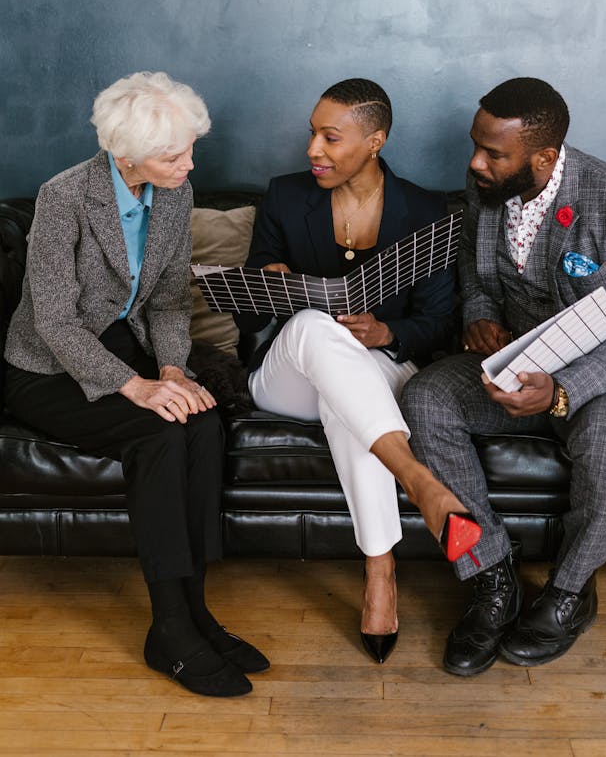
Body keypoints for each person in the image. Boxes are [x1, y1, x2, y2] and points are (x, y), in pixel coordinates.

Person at [401, 76, 606, 676]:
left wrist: (563, 391)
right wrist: (480, 318)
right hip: (520, 361)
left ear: (544, 157)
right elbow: (477, 277)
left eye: (492, 153)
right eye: (474, 146)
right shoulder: (485, 187)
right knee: (427, 396)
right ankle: (490, 575)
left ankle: (568, 593)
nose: (475, 163)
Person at [4, 71, 269, 698]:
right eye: (172, 154)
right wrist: (136, 387)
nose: (189, 164)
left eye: (190, 149)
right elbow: (55, 320)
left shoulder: (175, 194)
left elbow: (170, 302)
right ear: (125, 154)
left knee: (203, 423)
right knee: (157, 434)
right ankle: (169, 630)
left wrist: (172, 370)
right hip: (46, 364)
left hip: (125, 346)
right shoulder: (63, 197)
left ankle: (198, 610)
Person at [234, 77, 482, 663]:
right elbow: (247, 318)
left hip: (379, 371)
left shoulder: (423, 211)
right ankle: (418, 482)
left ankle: (379, 572)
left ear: (375, 141)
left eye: (330, 137)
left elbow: (441, 322)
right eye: (311, 135)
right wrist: (266, 289)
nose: (312, 151)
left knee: (347, 397)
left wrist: (387, 331)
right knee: (318, 328)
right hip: (287, 373)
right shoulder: (285, 196)